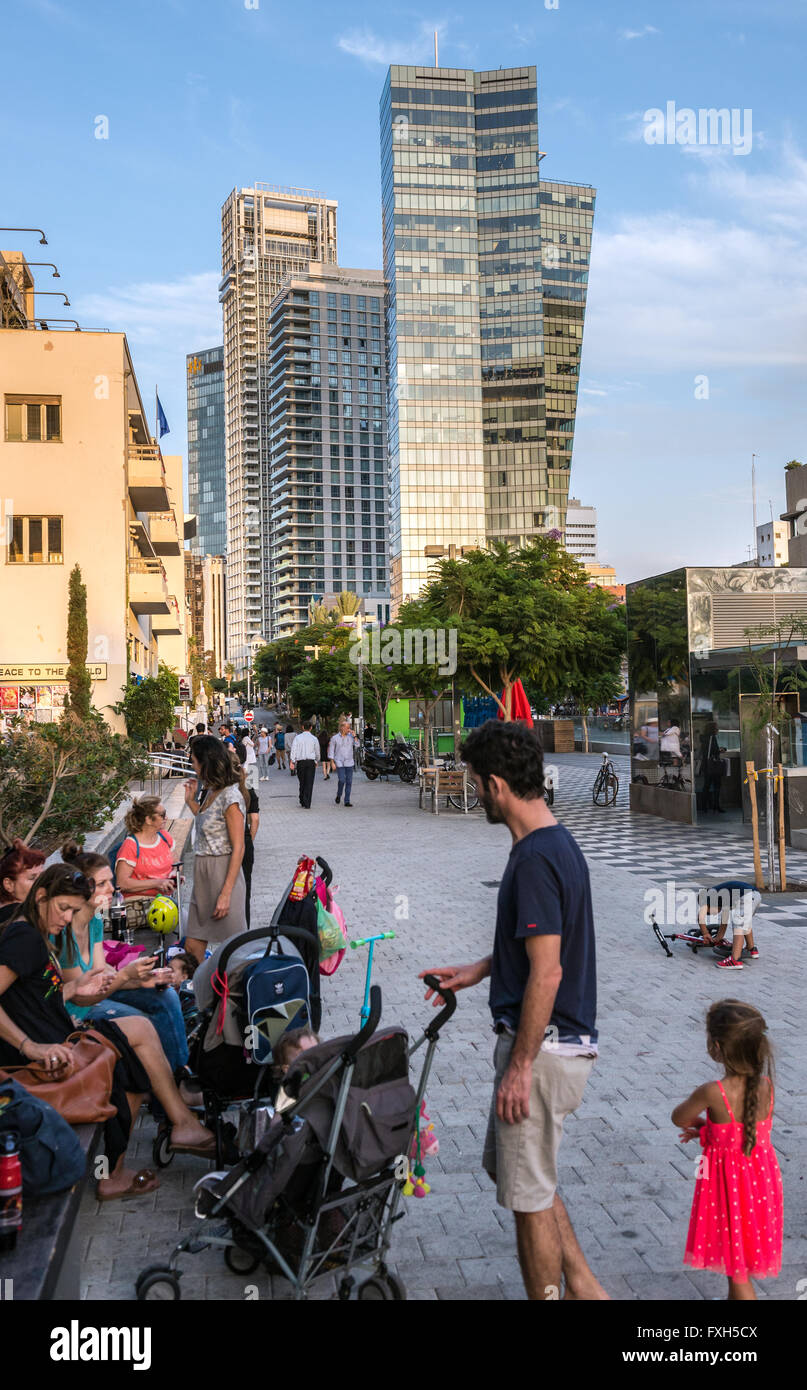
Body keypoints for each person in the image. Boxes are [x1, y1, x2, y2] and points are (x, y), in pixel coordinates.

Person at [420, 720, 607, 1302]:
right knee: (518, 1173)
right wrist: (480, 970)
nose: (475, 793)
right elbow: (538, 953)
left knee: (527, 1199)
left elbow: (548, 973)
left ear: (496, 785)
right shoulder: (556, 842)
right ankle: (585, 1286)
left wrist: (521, 1065)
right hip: (556, 1046)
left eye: (476, 783)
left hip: (544, 1052)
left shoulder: (532, 860)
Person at [0, 865, 215, 1200]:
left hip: (59, 1036)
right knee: (127, 1076)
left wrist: (74, 989)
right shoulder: (24, 937)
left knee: (140, 1031)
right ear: (41, 897)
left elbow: (34, 998)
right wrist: (30, 1047)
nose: (67, 919)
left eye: (73, 910)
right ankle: (111, 1172)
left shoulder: (34, 930)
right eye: (63, 909)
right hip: (42, 1054)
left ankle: (179, 1123)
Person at [673, 999, 782, 1300]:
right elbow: (744, 1132)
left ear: (717, 1048)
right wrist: (710, 1131)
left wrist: (702, 1127)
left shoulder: (713, 1091)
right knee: (742, 1261)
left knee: (738, 1271)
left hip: (729, 1186)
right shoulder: (767, 1087)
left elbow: (678, 1117)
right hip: (760, 1182)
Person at [58, 842, 189, 1075]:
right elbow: (81, 997)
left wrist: (142, 979)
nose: (112, 888)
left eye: (110, 881)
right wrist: (127, 976)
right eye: (102, 884)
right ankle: (163, 1092)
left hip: (98, 993)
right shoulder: (63, 931)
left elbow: (103, 973)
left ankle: (181, 1075)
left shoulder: (94, 920)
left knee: (166, 995)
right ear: (79, 890)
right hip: (77, 1011)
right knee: (142, 1021)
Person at [183, 736, 247, 963]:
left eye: (193, 761)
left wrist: (226, 893)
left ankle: (229, 996)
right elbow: (207, 824)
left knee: (234, 951)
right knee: (192, 947)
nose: (192, 765)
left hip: (222, 873)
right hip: (203, 876)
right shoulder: (211, 792)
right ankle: (201, 995)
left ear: (205, 762)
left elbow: (239, 847)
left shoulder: (231, 796)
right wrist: (190, 800)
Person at [681, 880, 761, 968]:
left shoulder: (709, 896)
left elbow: (700, 916)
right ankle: (751, 949)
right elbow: (724, 921)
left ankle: (735, 960)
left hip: (747, 896)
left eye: (708, 912)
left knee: (738, 927)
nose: (712, 914)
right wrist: (719, 937)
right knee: (745, 923)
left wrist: (705, 933)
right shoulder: (721, 897)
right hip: (755, 895)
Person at [115, 796, 176, 900]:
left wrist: (175, 875)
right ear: (148, 820)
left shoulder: (165, 837)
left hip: (164, 901)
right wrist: (157, 883)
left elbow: (176, 863)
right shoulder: (131, 846)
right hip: (139, 904)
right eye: (162, 815)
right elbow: (122, 883)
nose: (166, 817)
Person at [234, 740, 260, 927]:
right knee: (245, 892)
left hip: (229, 847)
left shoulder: (223, 793)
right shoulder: (248, 791)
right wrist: (249, 839)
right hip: (245, 842)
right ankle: (245, 929)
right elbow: (256, 820)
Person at [0, 839, 47, 928]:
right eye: (32, 878)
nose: (41, 883)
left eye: (42, 877)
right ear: (9, 884)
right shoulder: (23, 922)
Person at [329, 717, 359, 807]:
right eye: (347, 727)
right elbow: (331, 751)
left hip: (349, 762)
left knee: (349, 782)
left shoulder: (351, 737)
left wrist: (354, 736)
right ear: (342, 728)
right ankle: (338, 795)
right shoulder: (334, 738)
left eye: (349, 727)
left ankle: (347, 801)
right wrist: (332, 762)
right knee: (342, 780)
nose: (348, 729)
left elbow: (357, 745)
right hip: (339, 762)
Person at [290, 720, 320, 809]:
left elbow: (293, 750)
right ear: (311, 728)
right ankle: (307, 802)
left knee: (302, 781)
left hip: (301, 762)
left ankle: (302, 799)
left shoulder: (297, 738)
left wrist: (292, 761)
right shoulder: (314, 739)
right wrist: (317, 760)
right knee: (309, 782)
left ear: (303, 727)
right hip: (311, 762)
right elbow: (317, 751)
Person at [699, 721, 726, 813]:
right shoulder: (712, 738)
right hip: (713, 765)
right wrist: (721, 750)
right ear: (713, 729)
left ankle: (704, 806)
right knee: (717, 786)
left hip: (706, 764)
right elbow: (714, 751)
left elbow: (706, 751)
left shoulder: (703, 738)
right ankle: (716, 805)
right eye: (716, 728)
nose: (718, 730)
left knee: (706, 786)